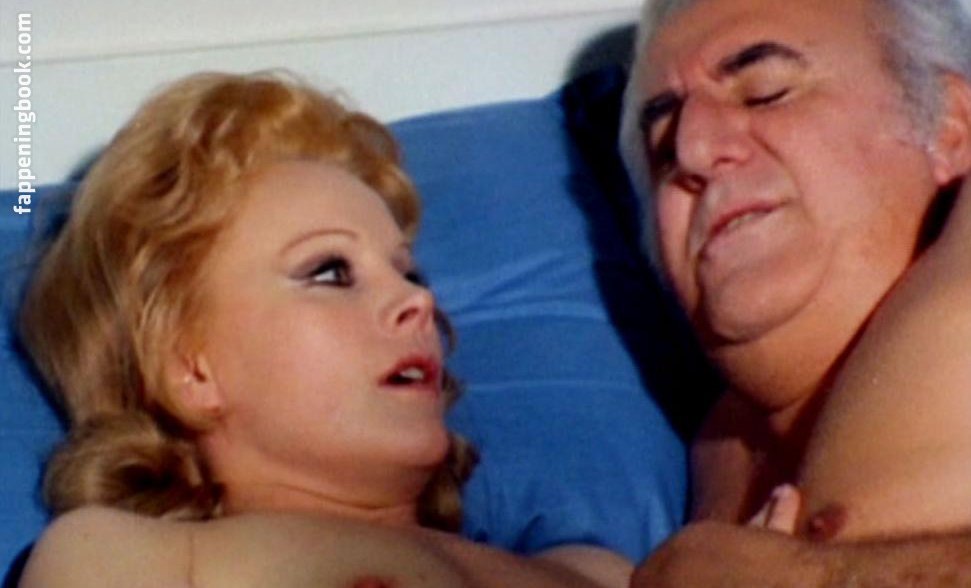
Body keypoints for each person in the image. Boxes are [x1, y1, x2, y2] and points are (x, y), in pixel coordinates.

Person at [15, 71, 633, 588]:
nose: (417, 301)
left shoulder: (593, 571)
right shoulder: (133, 558)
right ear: (189, 366)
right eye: (331, 271)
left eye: (409, 273)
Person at [619, 0, 971, 584]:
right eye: (663, 147)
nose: (692, 151)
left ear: (950, 125)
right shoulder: (719, 455)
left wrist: (811, 579)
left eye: (766, 92)